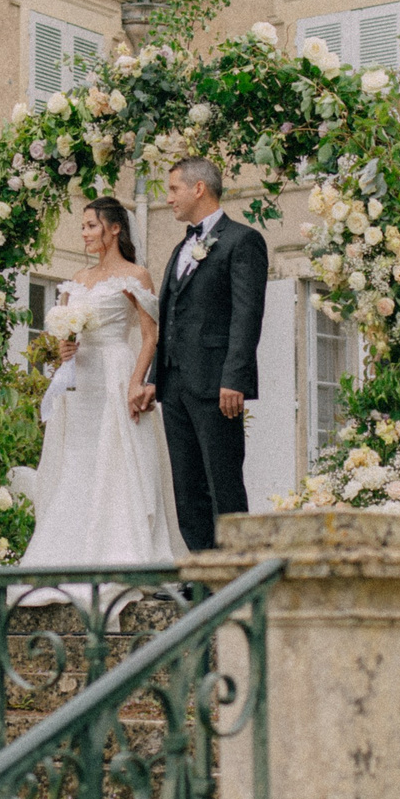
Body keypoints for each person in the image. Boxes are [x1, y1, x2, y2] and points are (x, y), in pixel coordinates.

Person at [21, 197, 186, 574]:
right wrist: (64, 345)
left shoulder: (136, 276)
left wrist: (136, 381)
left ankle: (119, 549)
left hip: (114, 371)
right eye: (82, 227)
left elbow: (149, 336)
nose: (84, 234)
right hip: (79, 380)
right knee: (76, 462)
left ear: (114, 228)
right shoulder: (77, 279)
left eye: (92, 226)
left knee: (114, 460)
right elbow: (62, 331)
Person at [150, 158, 266, 553]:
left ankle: (236, 573)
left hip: (217, 383)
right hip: (175, 382)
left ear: (199, 188)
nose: (168, 199)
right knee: (187, 484)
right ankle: (201, 571)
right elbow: (171, 313)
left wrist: (234, 377)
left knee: (223, 481)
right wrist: (155, 379)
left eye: (173, 189)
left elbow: (247, 315)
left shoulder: (242, 241)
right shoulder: (182, 246)